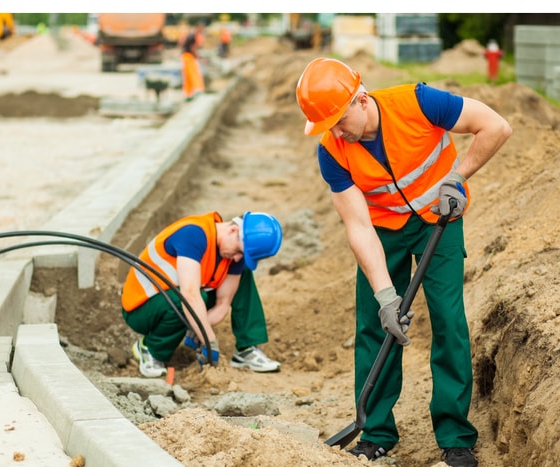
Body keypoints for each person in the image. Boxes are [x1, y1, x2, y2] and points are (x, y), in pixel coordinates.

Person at [295, 58, 512, 467]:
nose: (337, 133)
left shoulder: (418, 102)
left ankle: (455, 437)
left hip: (440, 219)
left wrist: (458, 177)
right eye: (328, 127)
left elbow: (496, 126)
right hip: (384, 231)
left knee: (448, 320)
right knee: (375, 324)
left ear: (361, 99)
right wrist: (385, 297)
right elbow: (358, 226)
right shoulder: (332, 151)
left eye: (339, 121)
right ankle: (376, 432)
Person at [121, 211, 283, 378]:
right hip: (142, 307)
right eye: (239, 252)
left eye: (242, 255)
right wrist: (209, 340)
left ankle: (246, 349)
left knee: (244, 272)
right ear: (233, 231)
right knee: (186, 299)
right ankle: (150, 350)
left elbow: (223, 303)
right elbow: (190, 295)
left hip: (179, 299)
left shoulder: (234, 253)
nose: (237, 258)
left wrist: (200, 328)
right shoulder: (194, 234)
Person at [181, 34, 205, 101]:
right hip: (188, 58)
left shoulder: (187, 53)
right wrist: (198, 88)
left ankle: (189, 94)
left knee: (188, 77)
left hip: (187, 57)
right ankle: (196, 91)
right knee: (192, 75)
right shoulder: (188, 56)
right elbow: (193, 75)